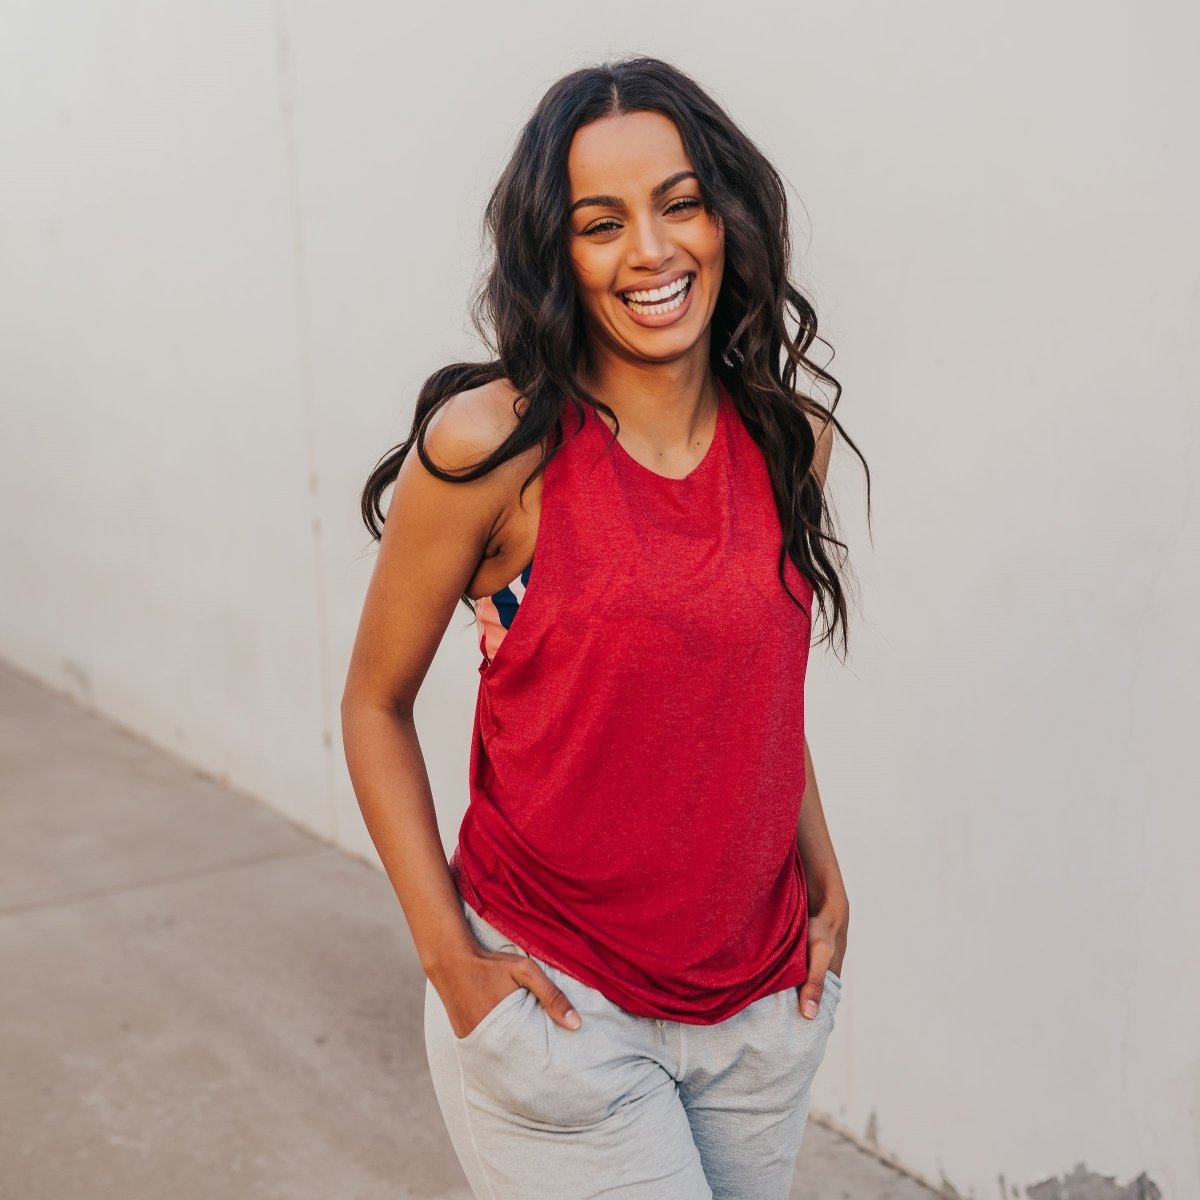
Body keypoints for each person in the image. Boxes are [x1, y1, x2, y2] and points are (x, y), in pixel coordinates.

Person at [341, 54, 870, 1200]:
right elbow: (374, 705)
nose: (651, 250)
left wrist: (824, 874)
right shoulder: (494, 449)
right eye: (601, 223)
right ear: (558, 253)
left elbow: (748, 693)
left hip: (761, 1014)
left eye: (680, 203)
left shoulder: (790, 441)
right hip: (564, 1011)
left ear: (726, 218)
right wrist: (451, 963)